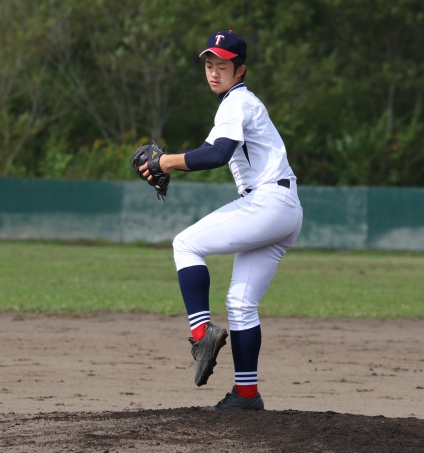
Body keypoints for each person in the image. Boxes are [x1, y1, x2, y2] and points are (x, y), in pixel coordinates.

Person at [139, 30, 303, 411]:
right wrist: (170, 162)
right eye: (209, 65)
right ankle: (247, 396)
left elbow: (217, 154)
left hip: (268, 202)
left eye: (223, 66)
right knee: (241, 303)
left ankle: (201, 335)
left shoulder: (237, 102)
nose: (214, 72)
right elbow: (210, 148)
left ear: (240, 70)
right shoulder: (238, 104)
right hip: (285, 207)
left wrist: (165, 161)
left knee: (185, 244)